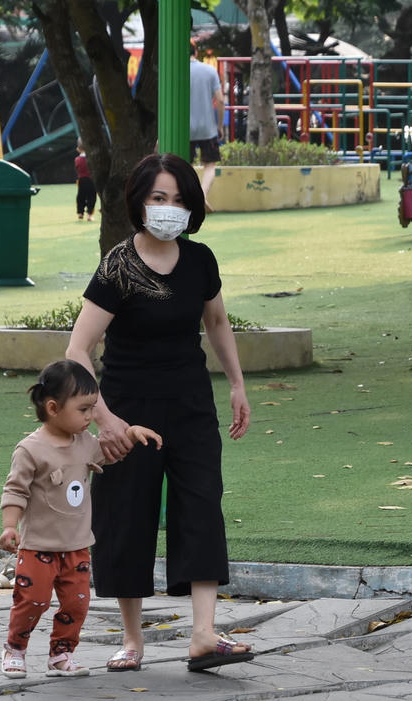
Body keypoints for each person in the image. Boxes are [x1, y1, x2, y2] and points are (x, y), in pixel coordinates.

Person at [65, 152, 252, 674]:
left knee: (201, 508)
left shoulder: (200, 260)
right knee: (127, 515)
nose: (169, 209)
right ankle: (131, 639)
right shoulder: (117, 267)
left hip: (191, 404)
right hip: (127, 410)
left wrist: (237, 385)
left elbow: (217, 322)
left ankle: (203, 635)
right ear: (139, 203)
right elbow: (77, 349)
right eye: (158, 198)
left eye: (178, 200)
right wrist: (105, 419)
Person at [0, 360, 162, 680]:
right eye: (83, 410)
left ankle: (62, 654)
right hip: (38, 548)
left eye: (92, 409)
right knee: (32, 601)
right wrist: (9, 526)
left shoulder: (85, 443)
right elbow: (15, 490)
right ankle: (15, 648)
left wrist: (131, 432)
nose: (90, 417)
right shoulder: (30, 450)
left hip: (77, 547)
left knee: (76, 605)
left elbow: (110, 452)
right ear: (53, 407)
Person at [189, 41, 225, 203]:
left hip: (184, 129)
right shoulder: (210, 71)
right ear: (195, 52)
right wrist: (219, 126)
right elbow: (220, 100)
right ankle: (202, 195)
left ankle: (189, 196)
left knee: (185, 165)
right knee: (210, 164)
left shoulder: (175, 71)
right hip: (207, 128)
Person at [74, 139, 96, 222]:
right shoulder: (92, 159)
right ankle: (89, 215)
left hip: (81, 180)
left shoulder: (77, 159)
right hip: (91, 180)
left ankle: (80, 213)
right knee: (91, 197)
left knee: (81, 196)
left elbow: (77, 168)